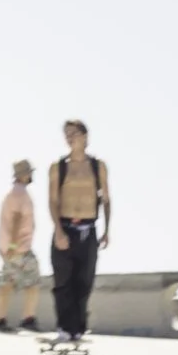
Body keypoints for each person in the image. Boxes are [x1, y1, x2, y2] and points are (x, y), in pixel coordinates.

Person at [48, 119, 111, 343]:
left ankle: (78, 328)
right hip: (65, 227)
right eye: (66, 134)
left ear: (84, 136)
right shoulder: (59, 167)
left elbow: (106, 199)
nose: (69, 138)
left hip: (89, 228)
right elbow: (53, 200)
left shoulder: (97, 166)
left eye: (73, 133)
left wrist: (107, 230)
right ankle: (64, 327)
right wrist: (58, 231)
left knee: (84, 281)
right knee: (63, 282)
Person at [0, 160, 42, 333]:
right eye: (29, 173)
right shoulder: (20, 194)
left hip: (12, 248)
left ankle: (0, 318)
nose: (31, 175)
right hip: (19, 248)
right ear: (23, 175)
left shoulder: (13, 193)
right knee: (33, 281)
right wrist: (13, 245)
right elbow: (16, 220)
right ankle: (27, 318)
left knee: (8, 283)